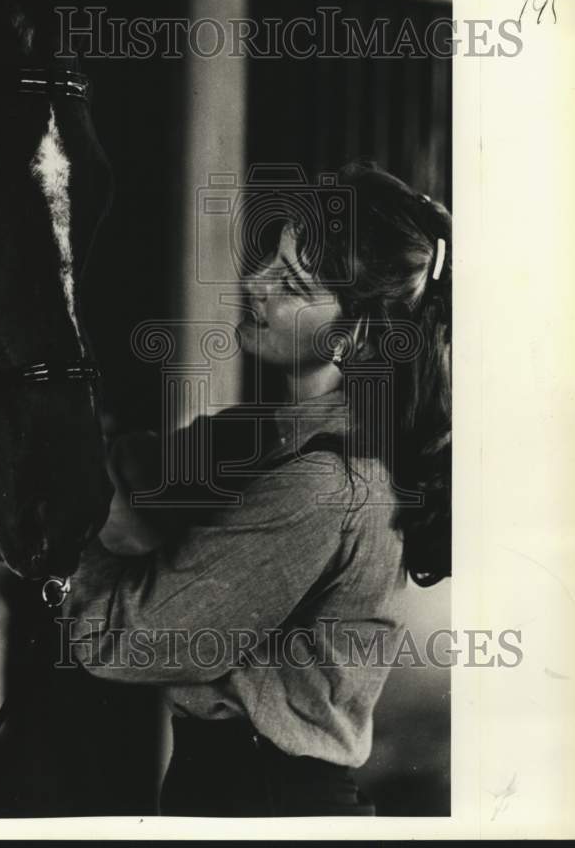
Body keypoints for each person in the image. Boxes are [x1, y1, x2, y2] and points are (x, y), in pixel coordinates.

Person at [60, 162, 452, 817]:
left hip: (266, 803)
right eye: (271, 255)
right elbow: (139, 463)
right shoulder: (266, 438)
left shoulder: (325, 483)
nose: (254, 283)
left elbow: (120, 639)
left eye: (292, 283)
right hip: (228, 787)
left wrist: (94, 525)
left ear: (356, 337)